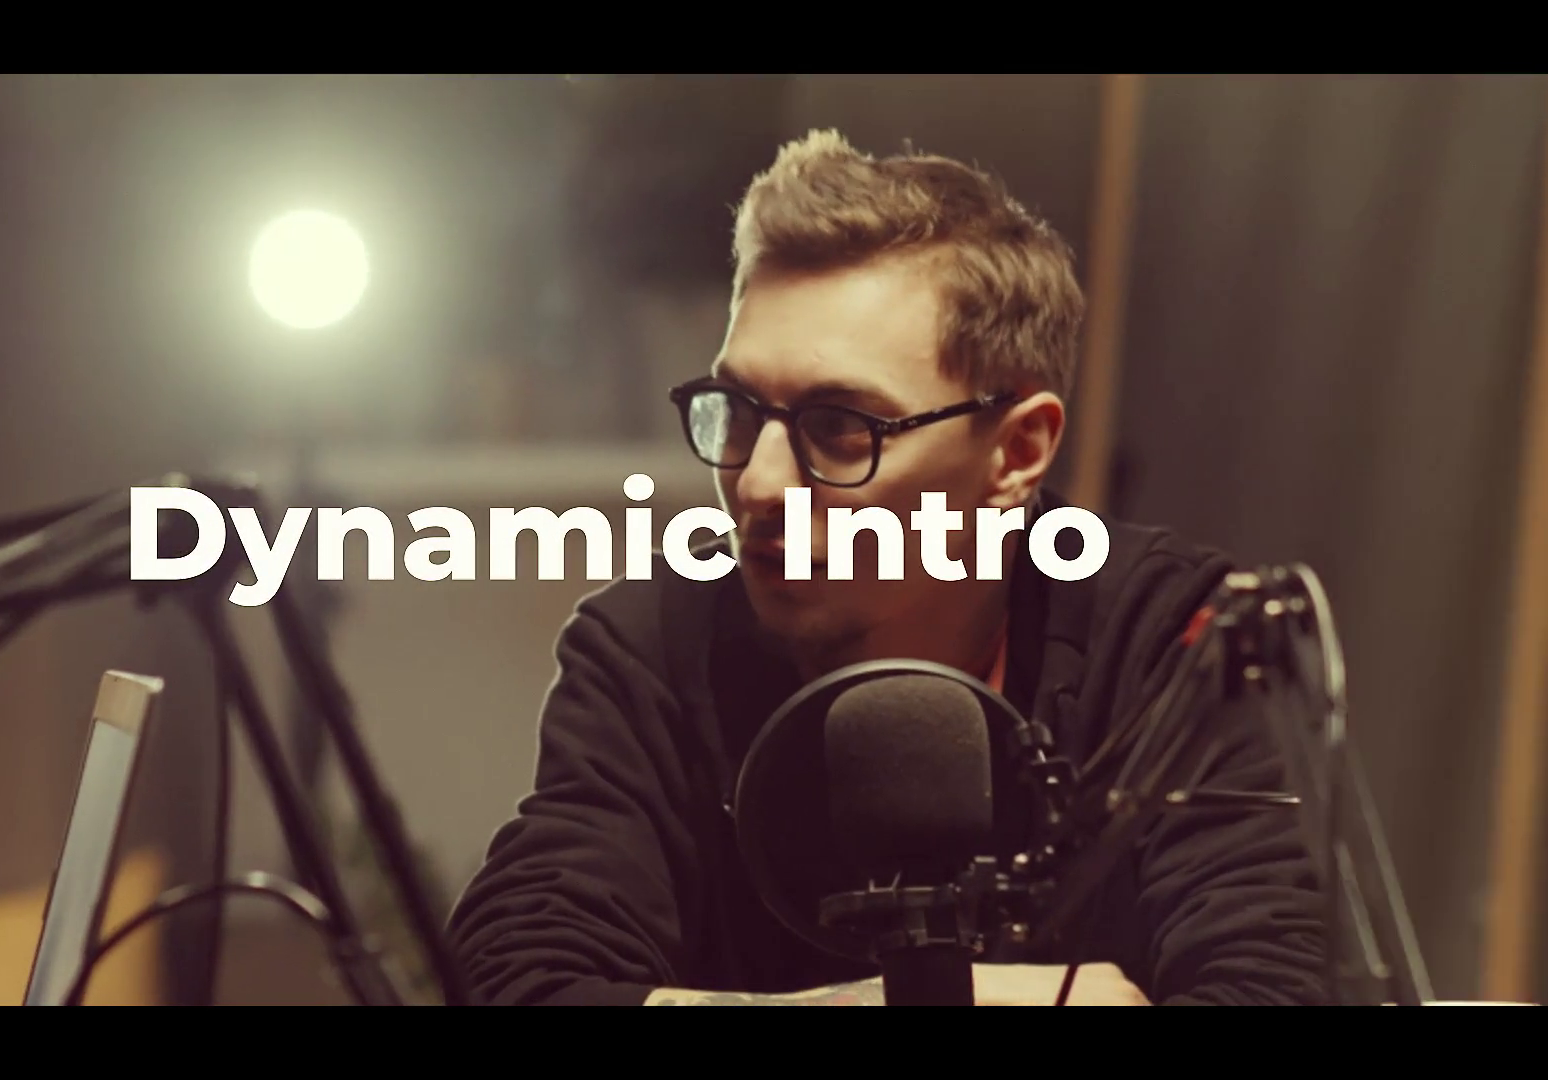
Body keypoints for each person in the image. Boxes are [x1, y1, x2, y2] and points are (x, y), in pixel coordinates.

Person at [444, 129, 1328, 1005]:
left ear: (1017, 452)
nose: (757, 482)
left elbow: (1277, 986)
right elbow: (517, 980)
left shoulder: (1176, 640)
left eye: (841, 426)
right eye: (737, 408)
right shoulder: (651, 641)